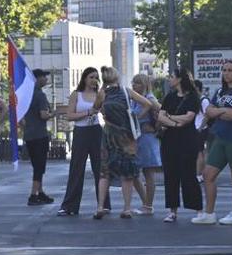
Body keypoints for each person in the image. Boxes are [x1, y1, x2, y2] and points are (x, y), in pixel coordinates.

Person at [194, 60, 232, 226]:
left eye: (230, 70)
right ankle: (209, 213)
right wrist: (223, 112)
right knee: (208, 175)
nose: (226, 73)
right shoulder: (219, 91)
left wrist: (218, 112)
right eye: (224, 70)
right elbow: (208, 111)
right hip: (220, 138)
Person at [59, 67, 109, 218]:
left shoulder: (100, 94)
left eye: (96, 77)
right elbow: (69, 115)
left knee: (100, 168)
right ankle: (70, 206)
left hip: (96, 131)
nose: (94, 80)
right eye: (91, 77)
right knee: (76, 168)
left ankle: (104, 204)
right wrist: (87, 112)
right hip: (81, 132)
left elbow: (106, 113)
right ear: (85, 79)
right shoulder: (77, 94)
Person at [156, 67, 204, 223]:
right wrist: (175, 123)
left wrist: (170, 117)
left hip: (187, 140)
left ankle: (198, 209)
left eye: (172, 76)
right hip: (170, 140)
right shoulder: (169, 97)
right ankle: (172, 211)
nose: (169, 79)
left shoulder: (192, 97)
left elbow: (189, 118)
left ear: (180, 79)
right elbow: (160, 117)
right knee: (171, 175)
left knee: (188, 174)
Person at [100, 66, 144, 219]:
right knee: (127, 173)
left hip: (108, 135)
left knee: (104, 172)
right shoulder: (126, 92)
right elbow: (148, 104)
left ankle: (100, 207)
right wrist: (135, 116)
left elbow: (95, 109)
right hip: (126, 136)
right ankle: (126, 208)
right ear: (117, 77)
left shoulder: (102, 94)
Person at [131, 72, 161, 216]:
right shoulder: (134, 100)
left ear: (143, 84)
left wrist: (155, 127)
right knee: (134, 173)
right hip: (136, 138)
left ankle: (148, 205)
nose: (133, 86)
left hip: (147, 138)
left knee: (148, 173)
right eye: (133, 83)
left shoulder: (149, 98)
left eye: (136, 83)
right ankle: (146, 203)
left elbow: (161, 111)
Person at [23, 68, 55, 206]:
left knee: (36, 165)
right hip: (40, 135)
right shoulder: (40, 95)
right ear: (37, 79)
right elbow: (44, 115)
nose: (46, 79)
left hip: (29, 135)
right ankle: (33, 195)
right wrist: (54, 114)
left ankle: (40, 192)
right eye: (44, 77)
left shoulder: (26, 94)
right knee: (39, 166)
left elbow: (20, 117)